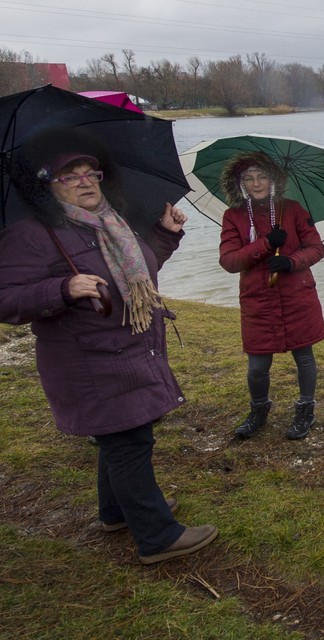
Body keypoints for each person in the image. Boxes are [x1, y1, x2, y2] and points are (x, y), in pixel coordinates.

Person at [0, 129, 218, 564]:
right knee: (128, 442)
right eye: (70, 176)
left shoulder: (111, 222)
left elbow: (138, 275)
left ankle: (116, 512)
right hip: (88, 362)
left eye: (91, 173)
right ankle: (157, 537)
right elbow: (7, 300)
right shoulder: (32, 234)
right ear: (45, 185)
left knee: (121, 435)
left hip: (126, 350)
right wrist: (61, 289)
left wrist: (165, 234)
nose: (85, 182)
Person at [219, 152, 324, 441]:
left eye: (262, 176)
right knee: (257, 367)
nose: (256, 183)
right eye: (249, 178)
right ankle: (259, 409)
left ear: (273, 179)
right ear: (240, 183)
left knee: (304, 357)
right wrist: (266, 244)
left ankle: (306, 409)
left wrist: (291, 262)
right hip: (258, 302)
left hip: (297, 298)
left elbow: (316, 248)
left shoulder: (291, 210)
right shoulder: (233, 216)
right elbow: (229, 261)